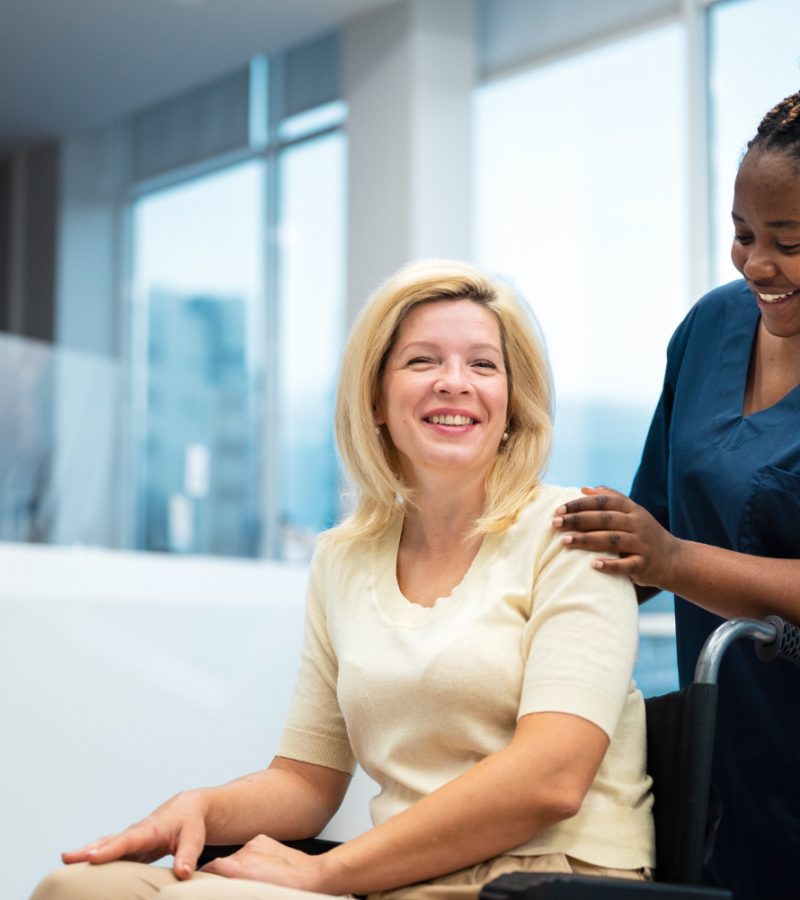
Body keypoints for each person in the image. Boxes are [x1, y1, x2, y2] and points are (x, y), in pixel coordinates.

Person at [32, 260, 654, 900]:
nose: (454, 383)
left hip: (547, 880)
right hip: (400, 879)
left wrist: (328, 872)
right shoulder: (343, 559)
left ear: (512, 404)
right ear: (376, 399)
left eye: (482, 365)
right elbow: (307, 781)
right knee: (75, 888)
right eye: (421, 361)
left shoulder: (574, 533)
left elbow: (549, 779)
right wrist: (199, 810)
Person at [551, 92, 800, 900]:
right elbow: (647, 542)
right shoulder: (711, 328)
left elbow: (671, 552)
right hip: (729, 755)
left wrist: (675, 556)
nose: (756, 264)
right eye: (742, 233)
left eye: (789, 243)